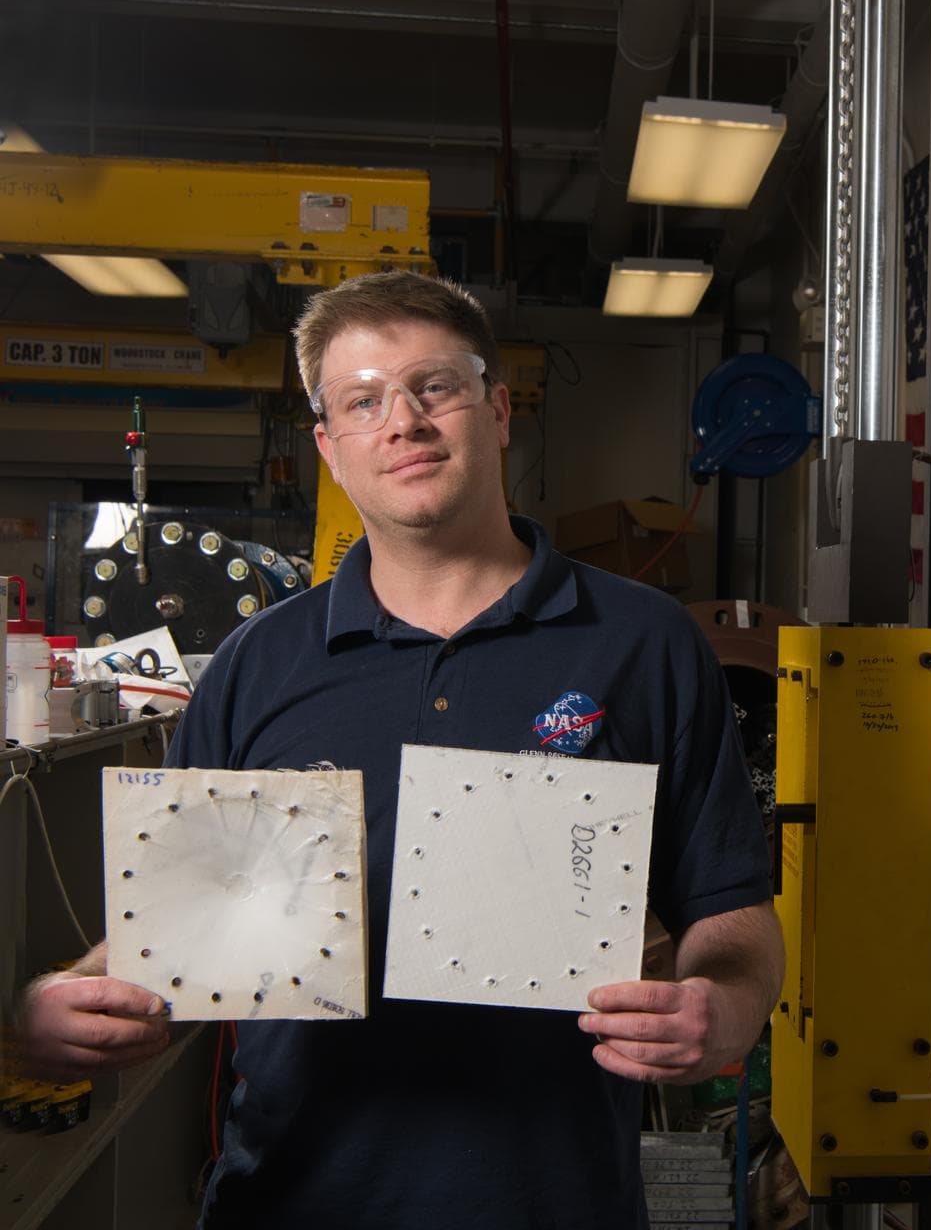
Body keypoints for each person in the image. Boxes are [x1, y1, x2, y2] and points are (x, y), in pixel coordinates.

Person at [19, 271, 784, 1229]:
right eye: (364, 400)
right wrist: (67, 998)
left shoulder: (641, 641)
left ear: (498, 410)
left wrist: (726, 1005)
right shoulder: (261, 664)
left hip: (555, 1202)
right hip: (292, 1199)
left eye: (437, 387)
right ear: (329, 447)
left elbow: (731, 912)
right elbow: (174, 939)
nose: (404, 422)